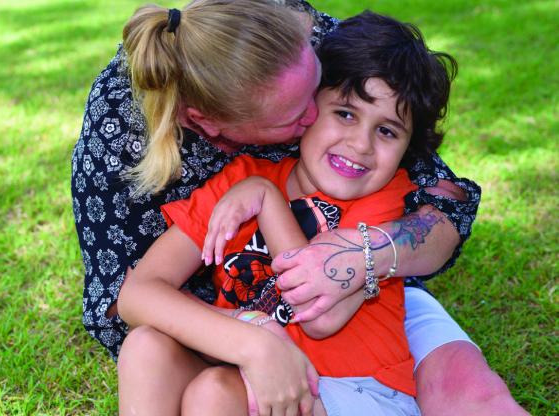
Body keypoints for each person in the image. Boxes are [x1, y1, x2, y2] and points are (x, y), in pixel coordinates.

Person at [71, 0, 526, 414]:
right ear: (206, 123)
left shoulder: (299, 36)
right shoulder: (126, 130)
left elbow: (438, 198)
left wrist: (269, 202)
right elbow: (127, 298)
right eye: (299, 114)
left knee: (216, 393)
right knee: (147, 349)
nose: (315, 116)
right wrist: (252, 338)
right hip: (228, 339)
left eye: (315, 91)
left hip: (355, 369)